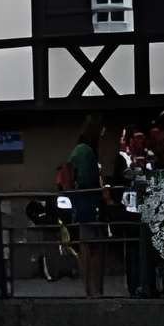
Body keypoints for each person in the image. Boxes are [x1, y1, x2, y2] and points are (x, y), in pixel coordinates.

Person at [63, 119, 106, 298]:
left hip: (81, 204)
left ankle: (89, 289)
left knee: (86, 247)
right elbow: (89, 180)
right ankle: (94, 289)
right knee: (92, 249)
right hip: (89, 204)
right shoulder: (86, 152)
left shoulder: (78, 150)